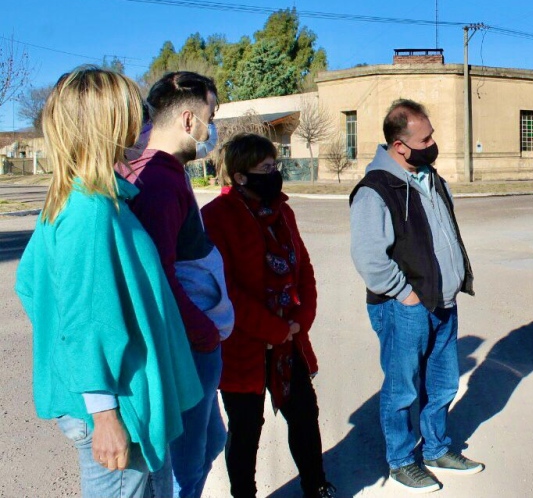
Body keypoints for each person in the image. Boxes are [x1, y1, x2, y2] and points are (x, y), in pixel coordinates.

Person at [14, 66, 202, 498]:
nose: (141, 123)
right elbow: (82, 319)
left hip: (118, 398)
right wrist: (105, 415)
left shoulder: (83, 196)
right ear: (105, 123)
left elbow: (30, 285)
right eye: (131, 112)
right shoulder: (90, 210)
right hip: (117, 406)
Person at [349, 99, 483, 494]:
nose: (433, 142)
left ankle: (438, 447)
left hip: (443, 302)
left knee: (442, 383)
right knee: (403, 387)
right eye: (425, 138)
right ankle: (402, 460)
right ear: (399, 146)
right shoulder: (375, 189)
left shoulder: (431, 178)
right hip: (404, 307)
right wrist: (405, 294)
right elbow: (369, 259)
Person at [119, 71, 234, 498]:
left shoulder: (159, 170)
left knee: (209, 445)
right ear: (189, 120)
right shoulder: (161, 182)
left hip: (193, 343)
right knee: (188, 463)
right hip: (189, 346)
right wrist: (204, 334)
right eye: (211, 115)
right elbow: (158, 277)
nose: (212, 128)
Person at [201, 133, 336, 498]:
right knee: (245, 430)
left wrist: (300, 321)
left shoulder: (282, 210)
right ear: (240, 175)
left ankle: (316, 484)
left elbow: (302, 267)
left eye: (274, 166)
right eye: (265, 168)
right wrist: (274, 328)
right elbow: (224, 289)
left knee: (304, 415)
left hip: (288, 341)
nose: (274, 173)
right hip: (242, 345)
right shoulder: (216, 217)